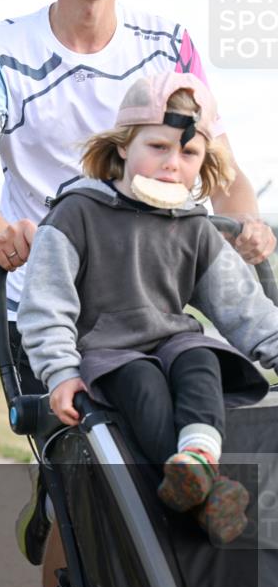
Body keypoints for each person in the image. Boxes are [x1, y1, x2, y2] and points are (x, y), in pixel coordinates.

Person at [0, 0, 277, 587]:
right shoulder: (1, 51)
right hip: (60, 305)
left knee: (197, 384)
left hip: (159, 288)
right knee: (93, 484)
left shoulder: (170, 42)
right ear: (124, 147)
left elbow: (219, 160)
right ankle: (65, 542)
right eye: (158, 149)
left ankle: (195, 517)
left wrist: (245, 226)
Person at [19, 72, 278, 544]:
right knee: (143, 381)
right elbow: (47, 306)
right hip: (108, 351)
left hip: (173, 339)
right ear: (122, 147)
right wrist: (59, 373)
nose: (171, 164)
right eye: (157, 147)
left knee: (202, 357)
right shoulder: (77, 213)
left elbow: (242, 306)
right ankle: (209, 493)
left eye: (188, 153)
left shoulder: (194, 226)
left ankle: (198, 458)